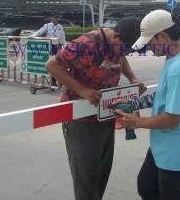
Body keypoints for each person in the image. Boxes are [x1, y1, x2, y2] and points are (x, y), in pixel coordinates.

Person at [45, 17, 145, 200]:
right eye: (125, 49)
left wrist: (132, 78)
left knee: (100, 173)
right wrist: (82, 90)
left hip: (104, 115)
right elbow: (51, 65)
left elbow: (121, 58)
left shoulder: (118, 47)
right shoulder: (85, 45)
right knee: (86, 179)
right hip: (81, 121)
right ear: (115, 36)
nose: (125, 54)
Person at [116, 10, 180, 200]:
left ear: (162, 35)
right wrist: (134, 101)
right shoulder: (178, 57)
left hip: (175, 149)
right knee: (147, 186)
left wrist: (135, 122)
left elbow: (172, 119)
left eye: (150, 41)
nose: (149, 47)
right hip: (163, 145)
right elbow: (163, 95)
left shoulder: (178, 71)